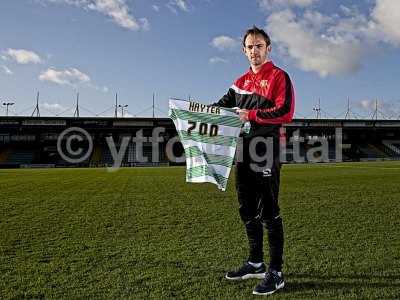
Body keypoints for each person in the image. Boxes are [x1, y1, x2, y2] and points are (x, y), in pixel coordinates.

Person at [213, 26, 295, 296]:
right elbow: (219, 108)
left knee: (269, 210)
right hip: (242, 151)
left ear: (268, 48)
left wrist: (252, 116)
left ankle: (276, 272)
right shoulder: (239, 82)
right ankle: (255, 262)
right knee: (246, 208)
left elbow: (285, 111)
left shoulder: (279, 76)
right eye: (250, 46)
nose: (254, 50)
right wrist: (190, 114)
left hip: (267, 149)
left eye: (259, 45)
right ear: (244, 50)